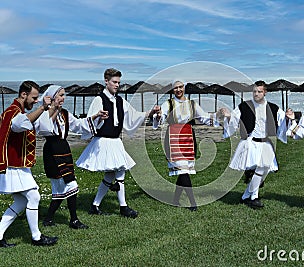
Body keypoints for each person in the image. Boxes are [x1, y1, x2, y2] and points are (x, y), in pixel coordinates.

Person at [76, 68, 158, 218]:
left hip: (115, 142)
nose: (117, 85)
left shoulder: (120, 101)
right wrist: (99, 118)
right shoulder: (99, 100)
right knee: (120, 171)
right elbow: (90, 121)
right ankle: (123, 207)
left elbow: (133, 116)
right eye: (114, 82)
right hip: (103, 142)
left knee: (110, 175)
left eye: (118, 82)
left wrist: (149, 113)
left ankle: (95, 205)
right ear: (106, 81)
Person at [35, 85, 108, 229]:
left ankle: (49, 219)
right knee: (70, 184)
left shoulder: (65, 114)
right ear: (52, 97)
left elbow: (79, 125)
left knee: (61, 188)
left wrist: (95, 116)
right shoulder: (44, 113)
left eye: (63, 95)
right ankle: (73, 219)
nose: (63, 98)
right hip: (52, 151)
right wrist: (53, 108)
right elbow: (44, 128)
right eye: (60, 95)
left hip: (64, 150)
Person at [0, 81, 58, 247]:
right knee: (33, 196)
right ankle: (36, 237)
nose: (35, 100)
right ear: (23, 95)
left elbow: (37, 126)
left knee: (21, 201)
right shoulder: (14, 112)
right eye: (33, 97)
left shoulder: (17, 111)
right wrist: (41, 108)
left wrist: (52, 108)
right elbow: (20, 124)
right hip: (14, 166)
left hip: (16, 165)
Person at [219, 80, 292, 209]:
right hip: (250, 142)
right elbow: (234, 120)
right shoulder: (244, 106)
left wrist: (287, 117)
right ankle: (254, 197)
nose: (256, 94)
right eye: (254, 91)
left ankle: (246, 196)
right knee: (260, 169)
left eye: (259, 91)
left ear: (265, 92)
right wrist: (228, 116)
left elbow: (282, 121)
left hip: (265, 143)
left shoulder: (273, 107)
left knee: (264, 170)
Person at [153, 80, 219, 211]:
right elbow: (161, 117)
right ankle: (193, 203)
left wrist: (219, 116)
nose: (178, 90)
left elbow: (204, 117)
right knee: (183, 171)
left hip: (188, 138)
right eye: (176, 88)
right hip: (173, 138)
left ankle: (175, 200)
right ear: (173, 90)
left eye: (180, 87)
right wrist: (159, 114)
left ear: (184, 88)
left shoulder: (192, 104)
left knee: (183, 170)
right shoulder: (168, 103)